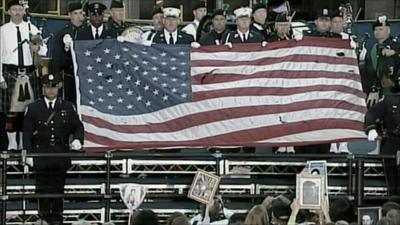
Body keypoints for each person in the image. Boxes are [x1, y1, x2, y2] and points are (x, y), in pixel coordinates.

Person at [23, 73, 84, 225]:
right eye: (48, 87)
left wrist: (77, 139)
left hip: (60, 152)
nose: (51, 91)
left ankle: (57, 216)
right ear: (43, 88)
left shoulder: (67, 107)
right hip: (41, 152)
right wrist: (28, 153)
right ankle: (43, 216)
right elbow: (27, 133)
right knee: (42, 186)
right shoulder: (33, 108)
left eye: (54, 87)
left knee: (58, 187)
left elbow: (78, 126)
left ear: (59, 88)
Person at [1, 0, 48, 150]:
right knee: (11, 110)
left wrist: (37, 48)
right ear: (8, 11)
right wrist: (0, 78)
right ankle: (11, 143)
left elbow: (44, 51)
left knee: (27, 109)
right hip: (10, 72)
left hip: (28, 73)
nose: (17, 12)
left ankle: (24, 141)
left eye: (20, 9)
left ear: (23, 11)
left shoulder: (31, 28)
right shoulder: (2, 31)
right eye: (14, 9)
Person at [365, 94, 400, 196]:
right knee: (392, 181)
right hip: (392, 142)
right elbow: (372, 113)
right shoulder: (390, 100)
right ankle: (393, 203)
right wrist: (371, 129)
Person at [364, 15, 400, 107]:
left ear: (388, 30)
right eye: (376, 30)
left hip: (393, 91)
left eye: (381, 29)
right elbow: (369, 71)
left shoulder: (396, 46)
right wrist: (373, 88)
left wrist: (395, 53)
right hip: (376, 92)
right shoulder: (373, 49)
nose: (378, 32)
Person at [52, 2, 84, 104]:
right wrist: (57, 78)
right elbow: (56, 57)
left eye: (81, 13)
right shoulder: (62, 33)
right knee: (69, 104)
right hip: (68, 76)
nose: (79, 17)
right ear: (69, 15)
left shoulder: (86, 32)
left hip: (85, 76)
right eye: (75, 13)